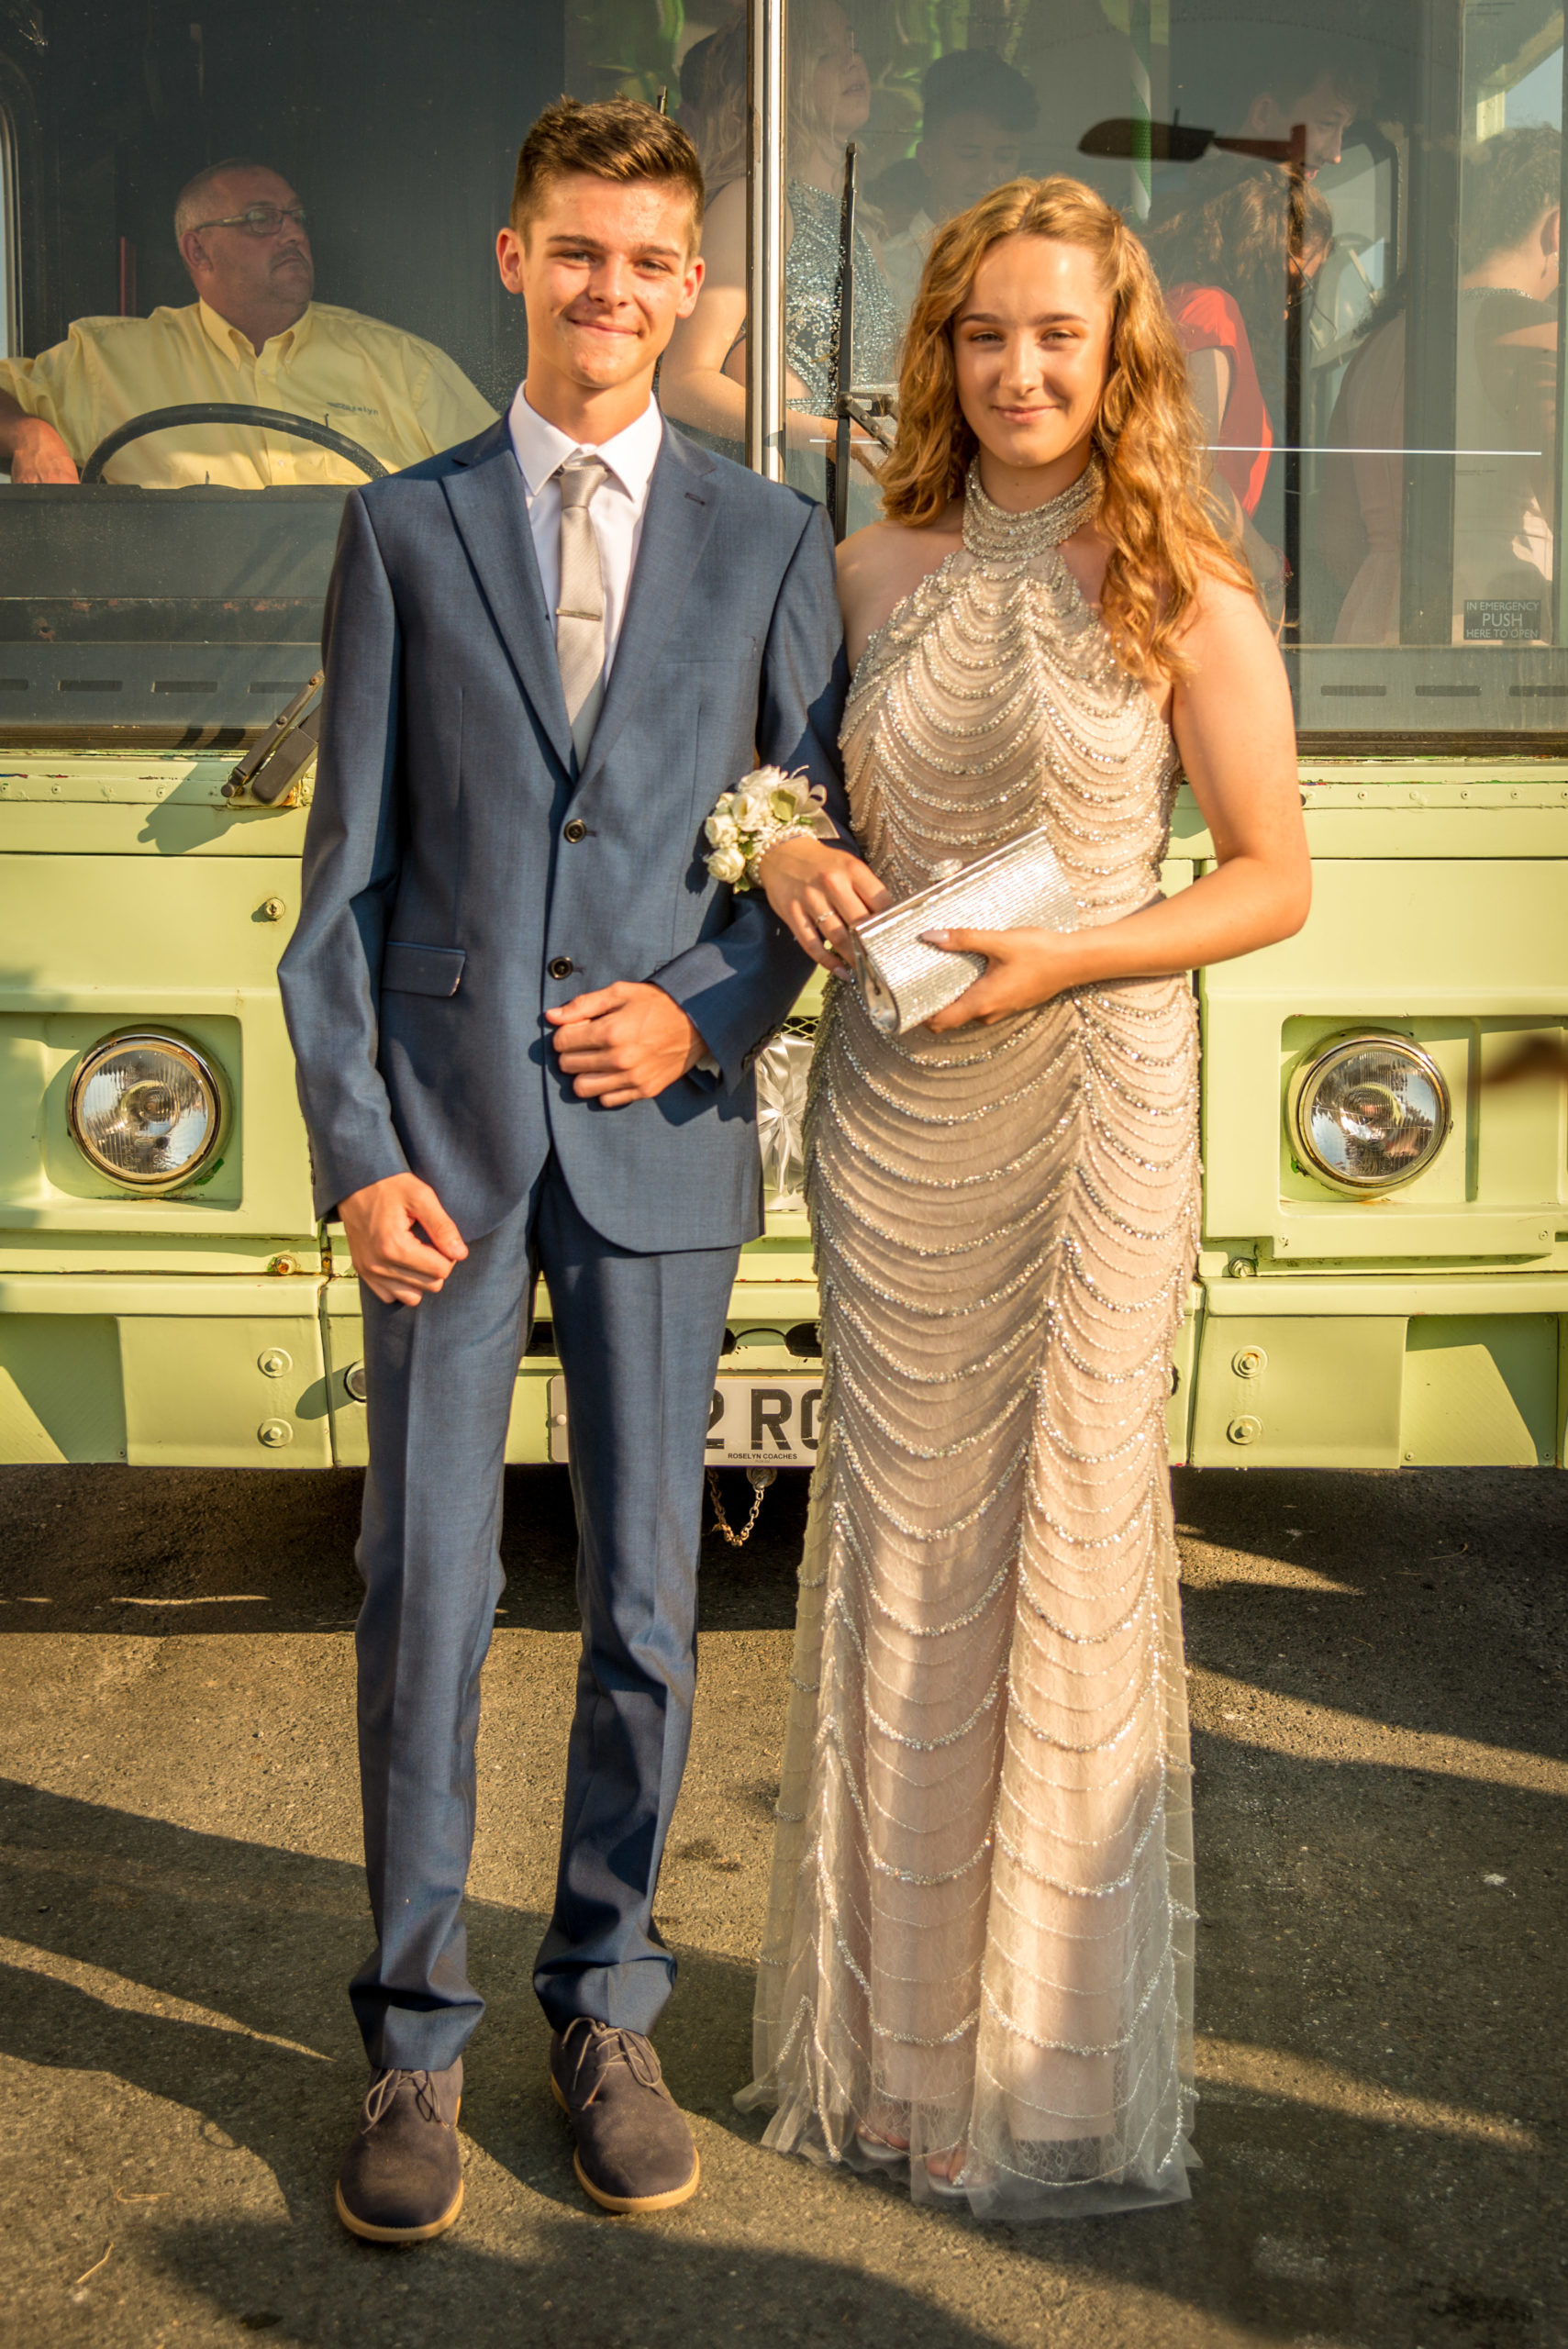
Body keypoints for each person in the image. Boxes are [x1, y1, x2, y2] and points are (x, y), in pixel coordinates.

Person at [277, 96, 871, 2239]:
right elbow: (338, 894)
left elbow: (800, 843)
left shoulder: (772, 544)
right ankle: (413, 2039)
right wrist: (357, 1152)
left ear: (690, 286)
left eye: (649, 261)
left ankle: (606, 2004)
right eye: (576, 250)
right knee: (423, 1588)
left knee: (641, 1597)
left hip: (658, 1138)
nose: (612, 289)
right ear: (513, 259)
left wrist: (704, 1012)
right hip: (441, 1148)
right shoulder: (402, 528)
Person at [737, 174, 1308, 2218]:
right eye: (982, 333)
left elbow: (1269, 877)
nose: (1016, 367)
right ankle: (902, 2064)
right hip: (897, 1117)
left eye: (1056, 332)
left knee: (1057, 1544)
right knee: (903, 1562)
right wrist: (786, 844)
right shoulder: (860, 568)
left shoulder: (1183, 590)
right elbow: (782, 791)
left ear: (1115, 350)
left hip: (1086, 1109)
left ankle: (1035, 2078)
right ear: (938, 354)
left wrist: (1067, 957)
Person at [0, 158, 494, 486]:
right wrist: (28, 433)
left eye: (297, 217)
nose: (293, 233)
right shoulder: (106, 362)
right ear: (198, 251)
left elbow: (508, 484)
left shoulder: (405, 368)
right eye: (262, 219)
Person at [1319, 126, 1561, 644]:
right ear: (1556, 228)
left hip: (1368, 628)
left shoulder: (1375, 347)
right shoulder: (1531, 331)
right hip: (1496, 635)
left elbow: (1335, 535)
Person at [659, 0, 902, 507]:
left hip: (859, 495)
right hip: (782, 491)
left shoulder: (862, 223)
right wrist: (829, 436)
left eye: (853, 46)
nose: (853, 62)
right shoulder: (755, 205)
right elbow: (683, 384)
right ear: (783, 79)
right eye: (827, 54)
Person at [1146, 165, 1332, 618]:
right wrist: (1269, 571)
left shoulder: (1179, 304)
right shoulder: (1212, 311)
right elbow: (1193, 477)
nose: (1293, 302)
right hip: (1197, 573)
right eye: (1299, 279)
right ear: (1263, 254)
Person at [881, 49, 1040, 315]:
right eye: (970, 155)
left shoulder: (1034, 267)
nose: (988, 174)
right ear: (928, 159)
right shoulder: (887, 271)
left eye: (1004, 157)